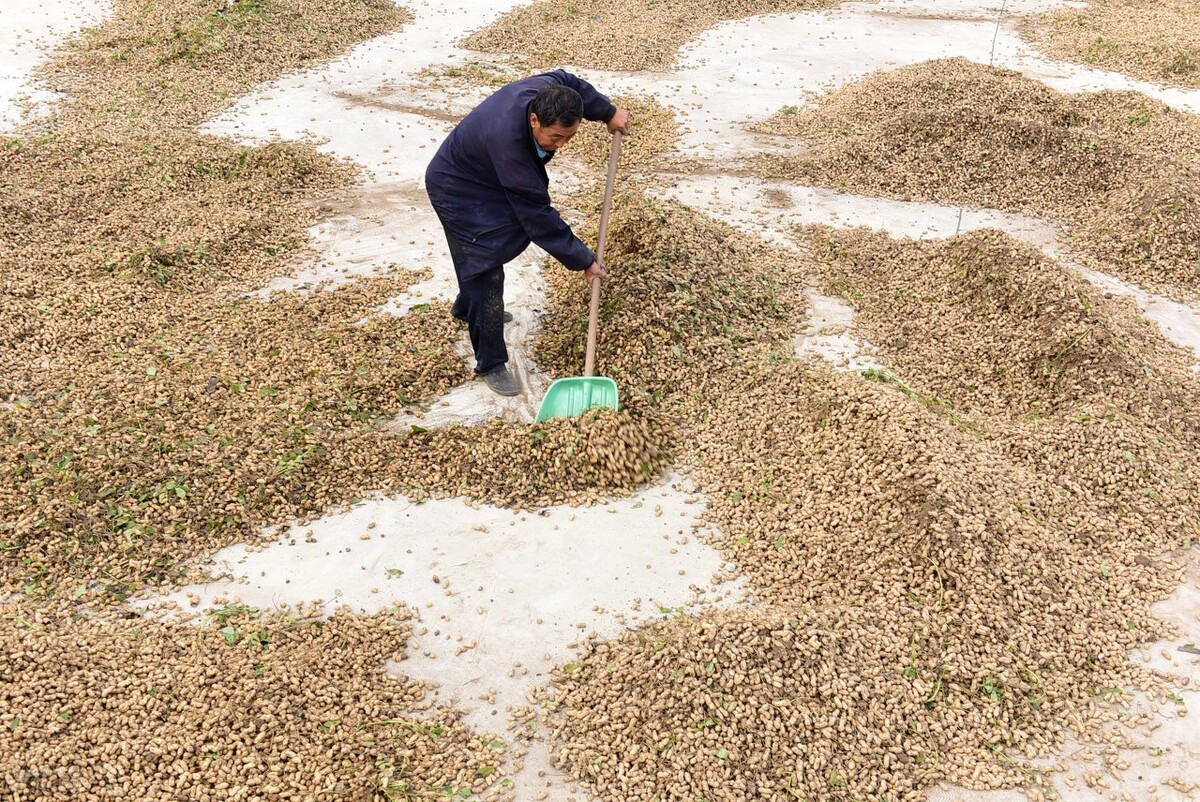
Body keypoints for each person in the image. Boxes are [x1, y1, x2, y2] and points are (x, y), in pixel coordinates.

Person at [424, 70, 631, 396]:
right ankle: (490, 362)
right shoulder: (511, 147)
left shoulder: (549, 89)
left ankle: (467, 308)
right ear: (534, 120)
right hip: (457, 188)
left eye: (569, 137)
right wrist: (583, 259)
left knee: (493, 247)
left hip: (486, 175)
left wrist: (607, 112)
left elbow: (572, 83)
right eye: (556, 138)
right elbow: (536, 215)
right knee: (485, 265)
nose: (560, 146)